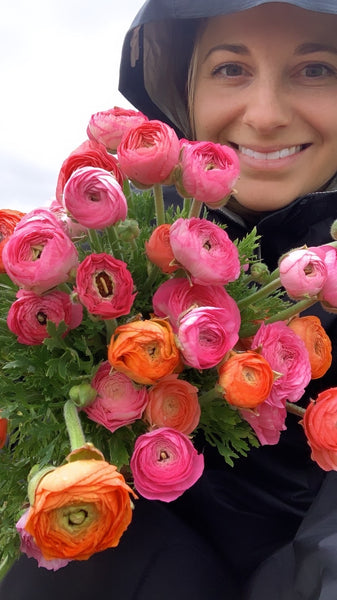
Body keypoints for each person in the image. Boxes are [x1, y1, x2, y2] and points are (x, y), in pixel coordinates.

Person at [1, 1, 337, 598]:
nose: (263, 116)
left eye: (316, 70)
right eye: (231, 69)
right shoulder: (120, 247)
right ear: (186, 94)